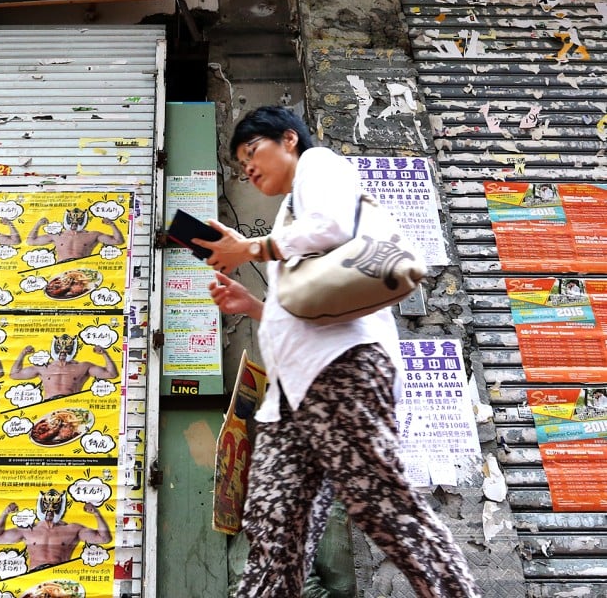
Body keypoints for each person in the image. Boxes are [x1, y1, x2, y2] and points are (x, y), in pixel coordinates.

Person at [194, 106, 479, 597]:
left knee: (381, 504)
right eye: (241, 164)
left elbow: (329, 227)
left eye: (253, 152)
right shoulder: (288, 214)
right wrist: (254, 306)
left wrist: (251, 250)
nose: (249, 168)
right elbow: (315, 308)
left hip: (342, 373)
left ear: (288, 139)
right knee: (273, 531)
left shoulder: (319, 165)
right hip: (292, 394)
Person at [0, 488, 111, 570]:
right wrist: (5, 513)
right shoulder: (28, 530)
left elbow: (104, 538)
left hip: (59, 577)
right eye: (46, 506)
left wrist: (96, 513)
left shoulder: (72, 529)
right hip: (34, 578)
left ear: (61, 508)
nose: (50, 510)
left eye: (54, 506)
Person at [10, 334, 117, 400]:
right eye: (60, 349)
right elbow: (15, 374)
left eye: (67, 349)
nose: (63, 351)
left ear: (73, 350)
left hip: (71, 404)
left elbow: (111, 374)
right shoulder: (43, 367)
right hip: (48, 404)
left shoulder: (83, 367)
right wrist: (23, 354)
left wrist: (104, 353)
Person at [26, 207, 124, 262]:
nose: (74, 223)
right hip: (60, 268)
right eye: (72, 221)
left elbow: (118, 241)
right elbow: (31, 241)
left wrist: (112, 225)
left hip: (82, 268)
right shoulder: (57, 235)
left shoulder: (92, 235)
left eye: (78, 221)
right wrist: (37, 225)